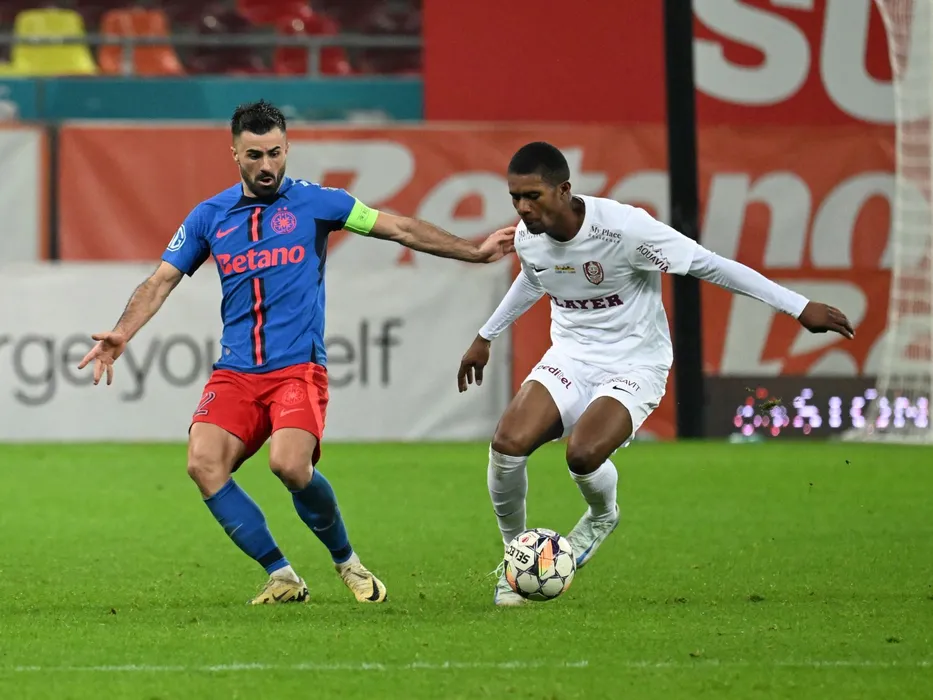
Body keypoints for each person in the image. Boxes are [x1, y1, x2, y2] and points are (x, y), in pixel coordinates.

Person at [78, 100, 515, 605]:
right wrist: (123, 331)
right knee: (203, 463)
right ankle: (282, 575)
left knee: (289, 465)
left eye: (275, 153)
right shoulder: (208, 217)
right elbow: (160, 281)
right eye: (254, 155)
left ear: (287, 148)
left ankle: (347, 562)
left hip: (296, 370)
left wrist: (474, 251)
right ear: (235, 155)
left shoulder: (320, 203)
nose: (266, 165)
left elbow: (399, 228)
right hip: (235, 373)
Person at [457, 141, 854, 606]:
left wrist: (798, 306)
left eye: (532, 196)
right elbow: (535, 276)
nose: (523, 208)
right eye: (515, 198)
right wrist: (485, 335)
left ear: (564, 190)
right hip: (570, 358)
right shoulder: (529, 237)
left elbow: (710, 265)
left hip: (635, 363)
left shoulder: (625, 230)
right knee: (507, 445)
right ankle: (516, 562)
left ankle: (602, 515)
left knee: (582, 455)